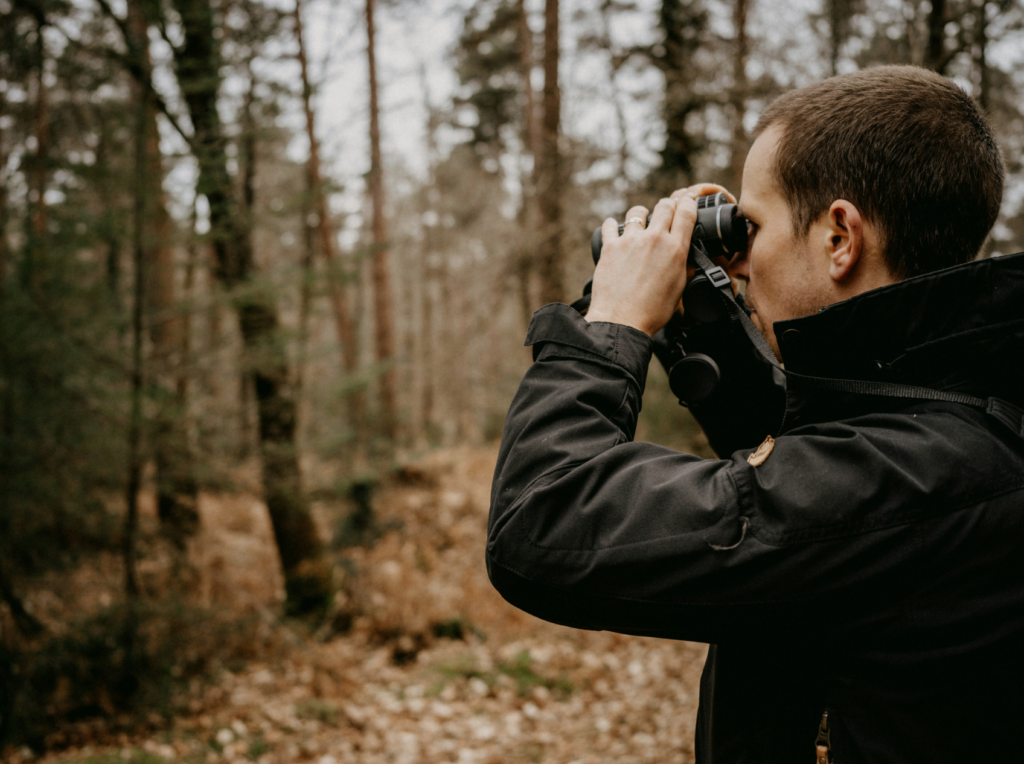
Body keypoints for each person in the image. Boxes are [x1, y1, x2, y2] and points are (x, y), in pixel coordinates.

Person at [486, 65, 1024, 763]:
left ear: (840, 238)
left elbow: (542, 521)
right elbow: (802, 461)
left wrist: (613, 325)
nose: (742, 261)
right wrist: (697, 315)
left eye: (755, 226)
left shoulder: (926, 476)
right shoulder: (956, 419)